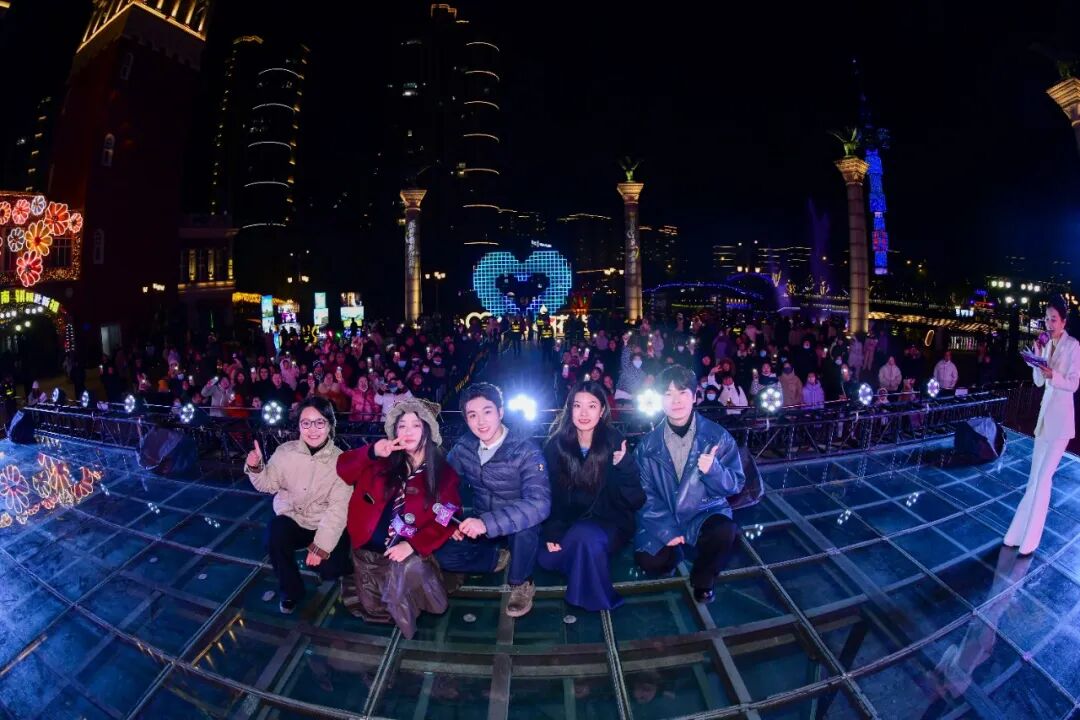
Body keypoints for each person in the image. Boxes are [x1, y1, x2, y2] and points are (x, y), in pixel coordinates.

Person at [335, 399, 460, 638]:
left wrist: (412, 545)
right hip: (367, 554)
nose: (408, 432)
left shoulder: (444, 474)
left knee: (426, 600)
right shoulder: (380, 460)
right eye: (402, 426)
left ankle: (419, 582)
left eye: (416, 425)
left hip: (407, 552)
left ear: (427, 430)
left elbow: (447, 516)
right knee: (375, 608)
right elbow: (343, 469)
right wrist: (371, 451)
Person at [434, 383, 550, 617]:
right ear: (466, 419)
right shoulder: (464, 447)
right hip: (482, 520)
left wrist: (487, 523)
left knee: (526, 527)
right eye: (472, 415)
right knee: (442, 554)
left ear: (500, 412)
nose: (481, 421)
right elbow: (442, 487)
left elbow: (539, 503)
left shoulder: (525, 450)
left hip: (515, 525)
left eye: (487, 411)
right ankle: (496, 558)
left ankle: (521, 582)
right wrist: (448, 521)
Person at [633, 365, 745, 603]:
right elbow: (643, 493)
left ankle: (704, 579)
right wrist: (666, 529)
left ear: (695, 396)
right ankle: (675, 554)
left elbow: (735, 484)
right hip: (665, 512)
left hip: (704, 512)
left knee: (725, 531)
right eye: (668, 394)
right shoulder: (647, 445)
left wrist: (713, 471)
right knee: (649, 562)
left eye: (682, 392)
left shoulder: (717, 436)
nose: (676, 400)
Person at [539, 381, 644, 611]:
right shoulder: (556, 445)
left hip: (610, 520)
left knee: (585, 536)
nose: (584, 413)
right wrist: (553, 529)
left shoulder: (615, 441)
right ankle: (585, 556)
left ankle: (592, 597)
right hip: (569, 520)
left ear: (602, 410)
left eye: (592, 406)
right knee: (546, 559)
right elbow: (549, 494)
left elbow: (636, 499)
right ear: (570, 409)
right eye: (577, 406)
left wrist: (625, 467)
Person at [245, 397, 353, 614]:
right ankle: (291, 591)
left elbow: (338, 511)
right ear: (299, 425)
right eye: (306, 423)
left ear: (330, 425)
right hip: (294, 519)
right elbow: (268, 484)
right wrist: (255, 467)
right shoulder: (285, 452)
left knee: (331, 570)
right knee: (274, 533)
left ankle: (343, 562)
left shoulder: (341, 462)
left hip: (324, 522)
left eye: (319, 422)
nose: (312, 429)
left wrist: (321, 547)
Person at [1005, 296, 1079, 555]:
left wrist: (1053, 375)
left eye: (1054, 319)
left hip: (1061, 424)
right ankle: (1017, 533)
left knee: (1044, 479)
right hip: (1044, 420)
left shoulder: (1073, 346)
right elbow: (1038, 382)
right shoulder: (1046, 346)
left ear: (1064, 321)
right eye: (1047, 319)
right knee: (1033, 479)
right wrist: (1035, 361)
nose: (1049, 323)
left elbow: (1073, 384)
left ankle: (1031, 539)